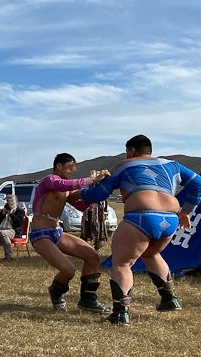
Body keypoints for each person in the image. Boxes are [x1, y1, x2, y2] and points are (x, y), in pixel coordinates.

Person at [79, 135, 201, 325]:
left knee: (122, 263)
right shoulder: (173, 165)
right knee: (150, 254)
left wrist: (81, 191)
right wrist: (186, 211)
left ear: (131, 151)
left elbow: (98, 194)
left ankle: (120, 313)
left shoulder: (123, 166)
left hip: (141, 217)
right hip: (169, 219)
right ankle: (169, 298)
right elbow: (198, 183)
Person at [30, 153, 109, 313]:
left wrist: (96, 194)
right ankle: (56, 292)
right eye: (70, 167)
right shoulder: (49, 181)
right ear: (58, 166)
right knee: (69, 270)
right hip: (40, 234)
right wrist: (92, 179)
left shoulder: (66, 188)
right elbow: (63, 185)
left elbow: (80, 205)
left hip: (56, 231)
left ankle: (88, 300)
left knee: (93, 257)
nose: (73, 170)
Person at [0, 194, 25, 260]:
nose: (10, 203)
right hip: (1, 229)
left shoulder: (20, 211)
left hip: (12, 230)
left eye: (11, 201)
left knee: (3, 234)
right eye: (8, 201)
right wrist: (2, 214)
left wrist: (11, 214)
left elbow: (19, 223)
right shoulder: (4, 209)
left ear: (15, 201)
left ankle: (8, 256)